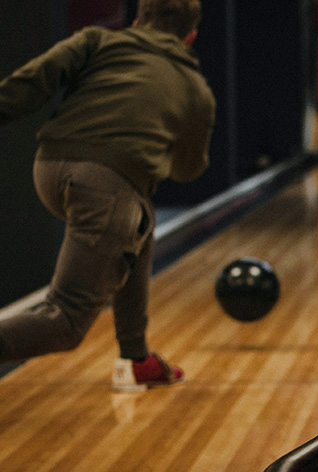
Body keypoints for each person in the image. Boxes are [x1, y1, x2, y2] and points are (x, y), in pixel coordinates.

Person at [0, 0, 215, 392]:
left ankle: (135, 358)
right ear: (190, 37)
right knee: (65, 320)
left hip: (49, 167)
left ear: (137, 21)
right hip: (104, 187)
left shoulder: (97, 40)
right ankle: (134, 359)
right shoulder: (195, 90)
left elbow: (31, 84)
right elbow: (189, 169)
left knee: (140, 220)